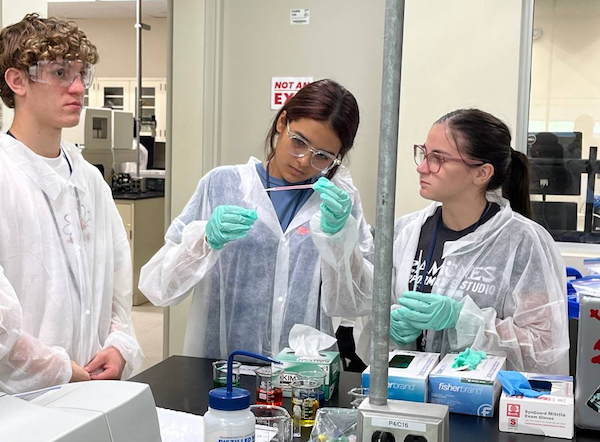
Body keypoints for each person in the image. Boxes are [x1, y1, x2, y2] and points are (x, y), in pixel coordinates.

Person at [139, 79, 374, 359]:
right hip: (221, 370)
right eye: (298, 142)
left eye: (322, 157)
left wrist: (340, 241)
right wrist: (204, 240)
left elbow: (358, 302)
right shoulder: (222, 185)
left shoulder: (338, 204)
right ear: (282, 122)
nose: (303, 161)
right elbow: (159, 287)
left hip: (303, 378)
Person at [0, 14, 143, 394]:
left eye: (82, 74)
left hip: (91, 387)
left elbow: (117, 281)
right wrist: (56, 369)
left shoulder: (88, 179)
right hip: (18, 401)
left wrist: (119, 344)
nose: (78, 87)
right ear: (17, 81)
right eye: (61, 73)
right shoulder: (4, 175)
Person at [381, 109, 568, 374]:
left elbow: (543, 349)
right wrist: (391, 326)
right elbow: (373, 311)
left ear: (481, 173)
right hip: (410, 396)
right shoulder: (406, 232)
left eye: (438, 158)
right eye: (424, 153)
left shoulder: (524, 243)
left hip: (484, 407)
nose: (421, 167)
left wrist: (464, 320)